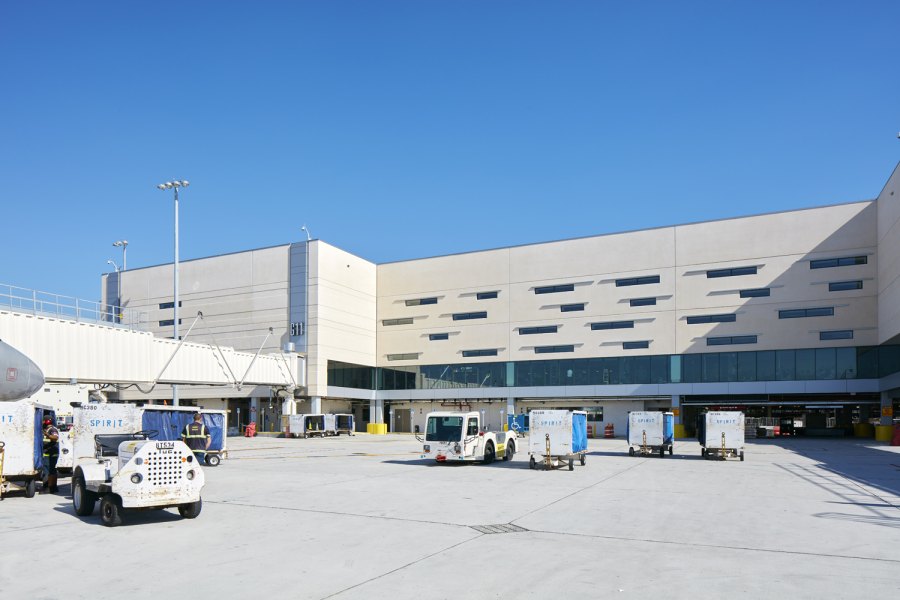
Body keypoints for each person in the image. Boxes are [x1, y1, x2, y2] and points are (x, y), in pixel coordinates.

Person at [42, 418, 60, 493]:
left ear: (47, 421)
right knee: (52, 470)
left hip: (50, 454)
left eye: (43, 420)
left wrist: (48, 435)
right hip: (49, 453)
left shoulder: (52, 429)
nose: (42, 422)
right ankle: (53, 487)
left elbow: (55, 437)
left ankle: (47, 487)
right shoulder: (48, 429)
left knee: (48, 471)